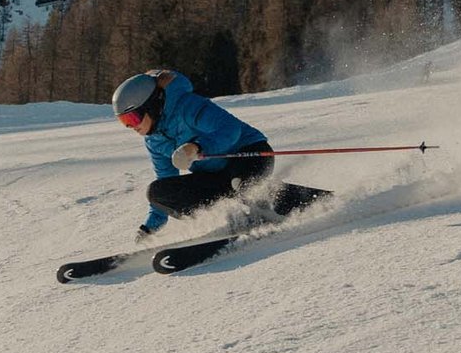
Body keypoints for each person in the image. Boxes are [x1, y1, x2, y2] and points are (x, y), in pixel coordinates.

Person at [111, 69, 321, 239]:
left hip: (248, 154)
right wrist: (152, 224)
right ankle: (238, 215)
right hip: (216, 177)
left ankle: (311, 204)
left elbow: (230, 129)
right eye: (124, 122)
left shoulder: (187, 106)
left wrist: (196, 147)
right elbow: (167, 178)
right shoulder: (153, 140)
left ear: (151, 105)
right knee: (158, 192)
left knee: (243, 186)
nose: (131, 127)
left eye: (133, 119)